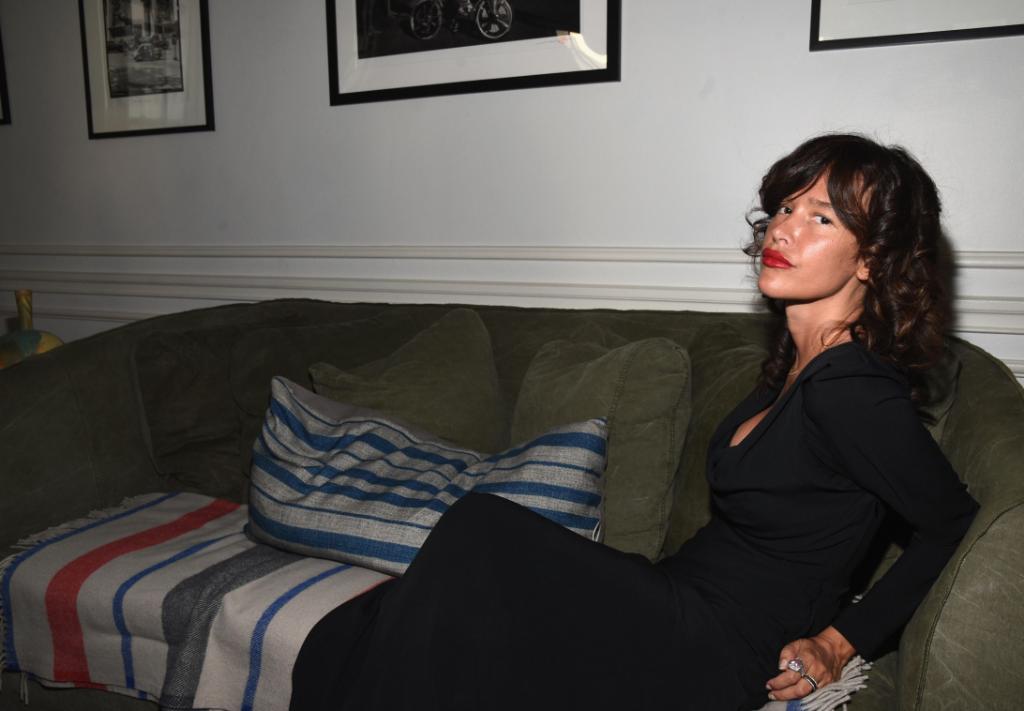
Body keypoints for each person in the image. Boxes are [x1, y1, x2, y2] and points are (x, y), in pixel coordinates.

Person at [289, 134, 979, 711]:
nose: (784, 228)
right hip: (672, 597)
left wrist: (838, 640)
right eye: (785, 207)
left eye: (821, 219)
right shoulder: (794, 367)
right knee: (354, 627)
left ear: (872, 259)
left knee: (480, 530)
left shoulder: (852, 389)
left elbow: (949, 520)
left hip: (715, 646)